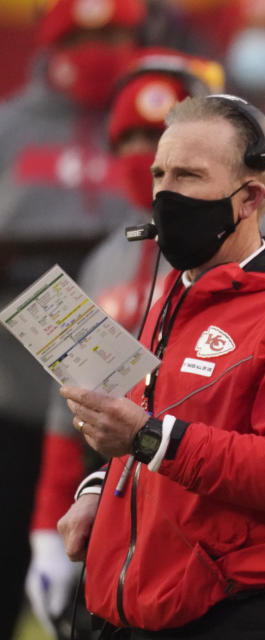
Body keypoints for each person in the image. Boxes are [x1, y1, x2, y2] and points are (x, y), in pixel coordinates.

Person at [24, 49, 265, 638]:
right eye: (158, 174)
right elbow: (152, 418)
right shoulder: (169, 288)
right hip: (145, 600)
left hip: (245, 609)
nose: (165, 191)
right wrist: (97, 492)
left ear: (250, 198)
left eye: (188, 176)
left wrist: (145, 438)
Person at [0, 0, 144, 635]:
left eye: (114, 34)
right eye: (86, 35)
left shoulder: (155, 122)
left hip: (130, 391)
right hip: (13, 393)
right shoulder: (9, 127)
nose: (100, 49)